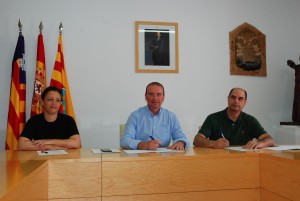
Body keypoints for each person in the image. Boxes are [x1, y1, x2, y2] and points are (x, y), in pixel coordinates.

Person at [193, 87, 275, 149]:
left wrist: (260, 144)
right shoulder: (213, 118)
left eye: (240, 99)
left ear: (245, 102)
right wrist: (214, 144)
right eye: (233, 97)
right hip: (218, 161)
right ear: (228, 98)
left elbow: (270, 140)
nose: (236, 101)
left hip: (243, 161)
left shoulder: (250, 120)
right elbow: (197, 140)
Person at [121, 82, 190, 150]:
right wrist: (143, 145)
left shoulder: (171, 117)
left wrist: (181, 143)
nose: (155, 98)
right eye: (151, 94)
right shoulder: (135, 116)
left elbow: (181, 137)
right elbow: (125, 140)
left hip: (164, 158)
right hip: (140, 158)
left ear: (163, 97)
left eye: (159, 94)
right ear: (145, 96)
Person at [18, 86, 81, 151]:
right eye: (50, 99)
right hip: (41, 159)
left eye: (58, 100)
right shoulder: (34, 121)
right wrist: (48, 147)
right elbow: (21, 144)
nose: (54, 103)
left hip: (63, 159)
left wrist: (49, 141)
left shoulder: (68, 120)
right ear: (42, 102)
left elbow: (76, 143)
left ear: (60, 103)